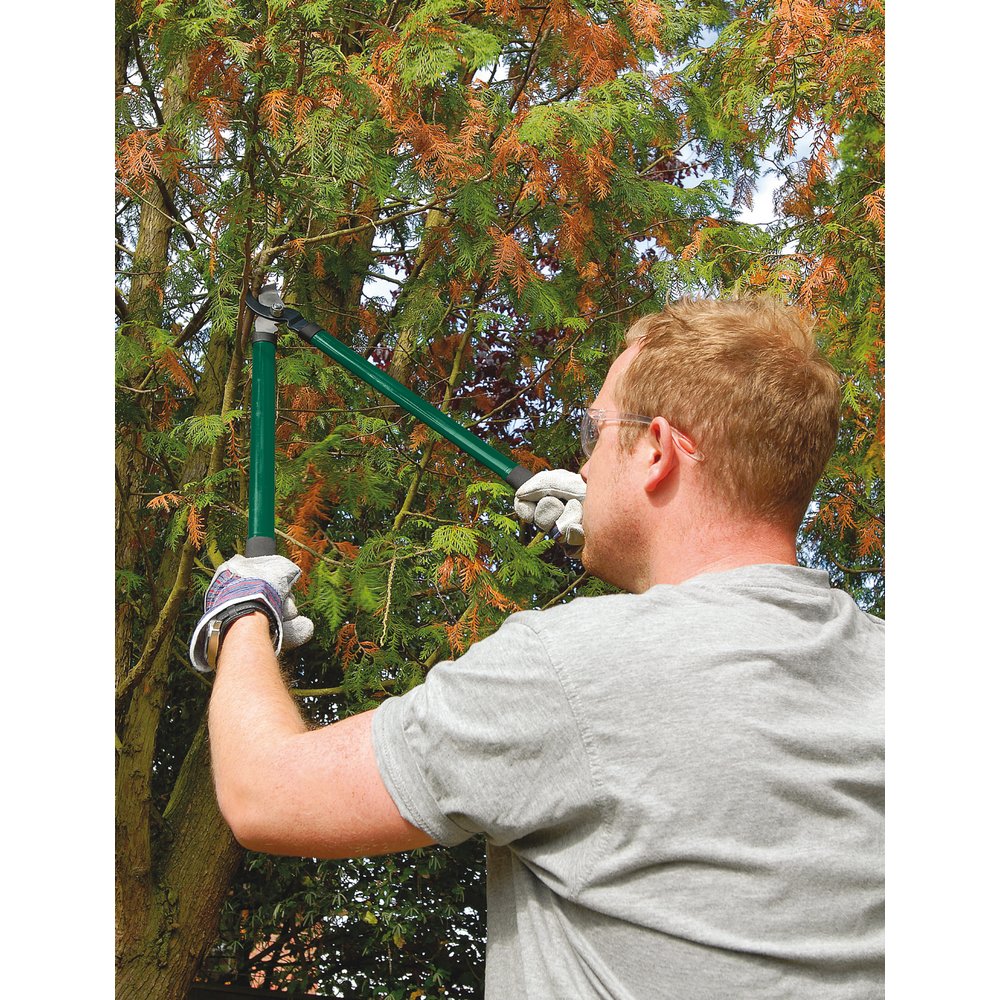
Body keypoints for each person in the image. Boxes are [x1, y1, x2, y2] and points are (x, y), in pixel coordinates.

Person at [194, 295, 884, 999]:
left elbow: (263, 791)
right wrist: (628, 533)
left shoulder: (571, 675)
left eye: (594, 432)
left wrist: (242, 610)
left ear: (657, 452)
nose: (584, 466)